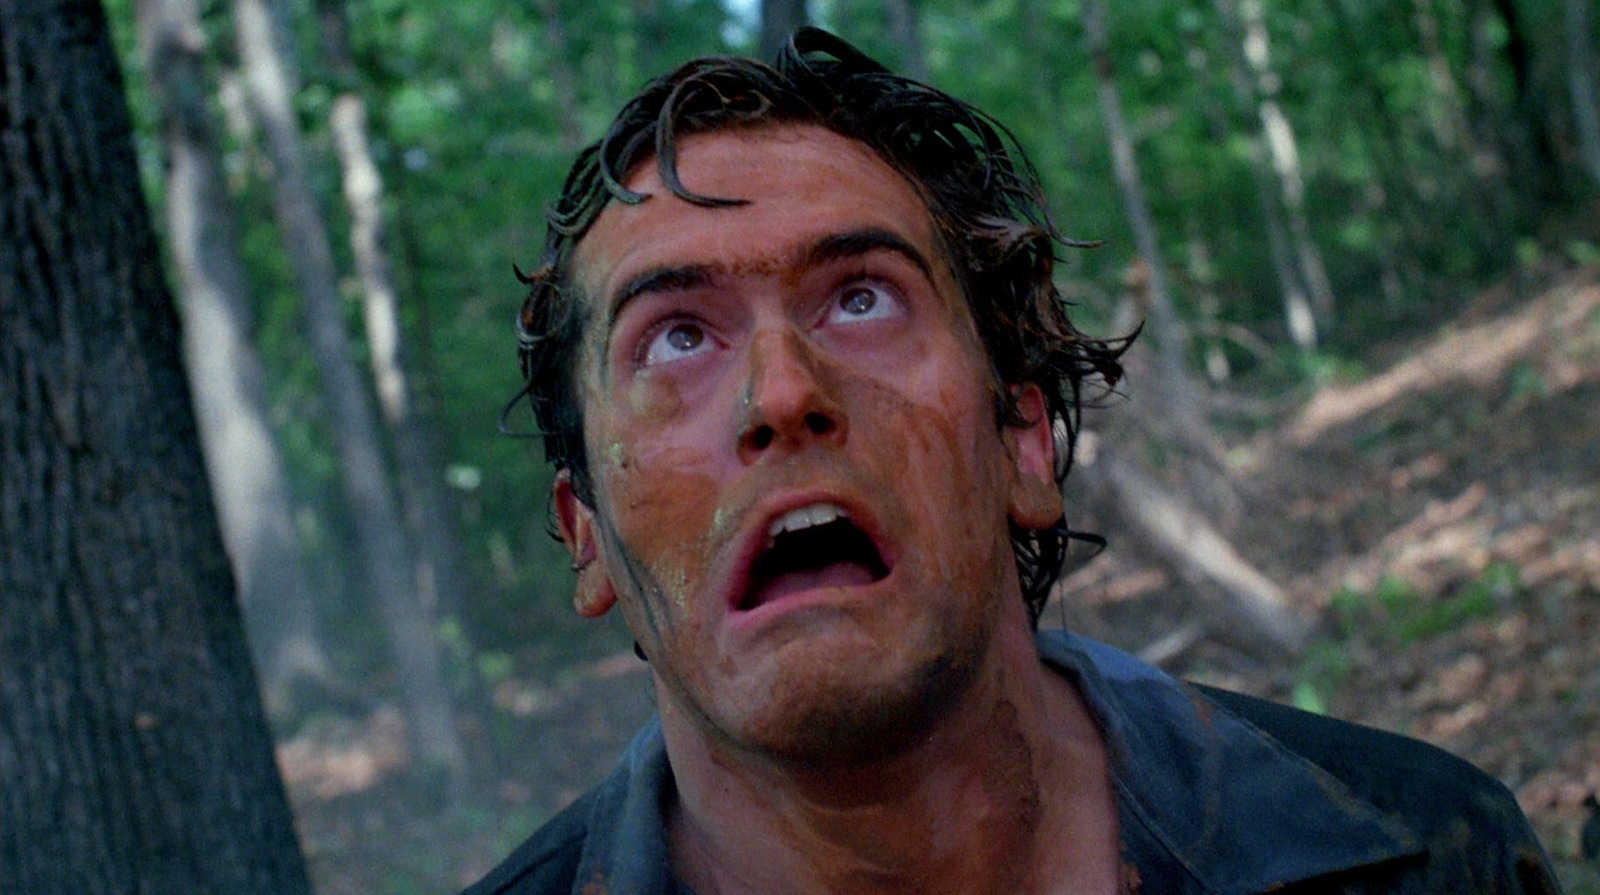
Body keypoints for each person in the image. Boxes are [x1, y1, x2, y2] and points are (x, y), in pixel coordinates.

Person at [469, 28, 1560, 895]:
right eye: (675, 337)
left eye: (861, 299)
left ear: (1022, 441)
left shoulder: (1429, 853)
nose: (784, 394)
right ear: (584, 531)